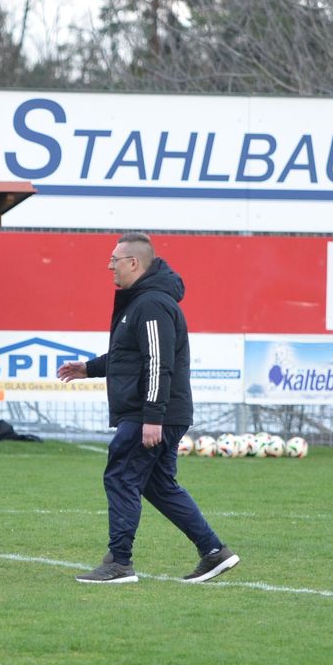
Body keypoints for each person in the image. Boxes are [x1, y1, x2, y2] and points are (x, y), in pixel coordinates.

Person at [57, 232, 239, 584]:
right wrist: (88, 369)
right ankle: (214, 552)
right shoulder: (142, 302)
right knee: (158, 485)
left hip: (151, 414)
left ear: (134, 263)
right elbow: (130, 356)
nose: (109, 266)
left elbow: (158, 363)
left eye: (114, 260)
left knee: (121, 475)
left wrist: (153, 418)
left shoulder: (152, 303)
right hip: (156, 413)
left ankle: (119, 563)